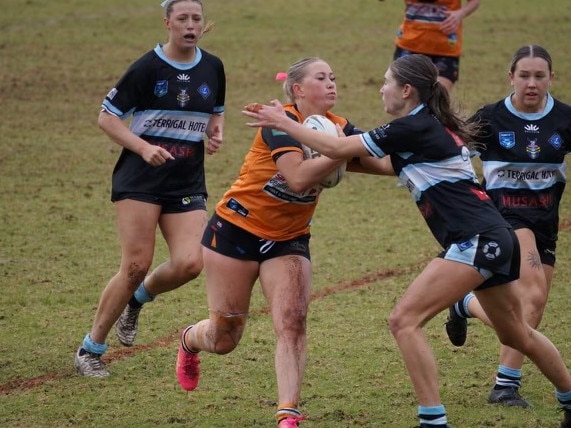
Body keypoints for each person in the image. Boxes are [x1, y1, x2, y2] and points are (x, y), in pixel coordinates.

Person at [242, 53, 571, 428]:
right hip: (496, 237)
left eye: (386, 82)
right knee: (519, 334)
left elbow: (338, 149)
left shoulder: (410, 129)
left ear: (407, 90)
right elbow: (369, 160)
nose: (381, 88)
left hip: (476, 239)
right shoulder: (425, 128)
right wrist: (326, 149)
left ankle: (433, 420)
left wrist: (285, 123)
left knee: (404, 321)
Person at [174, 57, 384, 428]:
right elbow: (299, 177)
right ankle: (190, 339)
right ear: (299, 89)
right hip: (235, 231)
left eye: (334, 77)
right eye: (322, 78)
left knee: (293, 322)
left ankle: (288, 414)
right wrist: (341, 152)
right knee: (225, 338)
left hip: (288, 240)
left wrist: (421, 152)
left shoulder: (337, 128)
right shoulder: (279, 124)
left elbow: (382, 163)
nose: (333, 83)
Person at [74, 0, 225, 377]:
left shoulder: (213, 67)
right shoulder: (147, 67)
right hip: (139, 180)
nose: (190, 25)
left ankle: (139, 300)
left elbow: (215, 110)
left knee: (192, 262)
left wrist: (216, 130)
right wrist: (143, 147)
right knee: (135, 265)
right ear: (167, 23)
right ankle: (90, 348)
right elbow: (106, 117)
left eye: (196, 18)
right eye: (182, 19)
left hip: (186, 180)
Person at [444, 45, 571, 408]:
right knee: (530, 298)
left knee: (532, 306)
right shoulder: (491, 118)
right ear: (510, 77)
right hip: (504, 220)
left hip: (546, 221)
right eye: (524, 75)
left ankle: (465, 304)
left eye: (539, 76)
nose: (532, 83)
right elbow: (452, 153)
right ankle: (505, 387)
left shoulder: (563, 118)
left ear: (551, 78)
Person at [392, 0, 481, 93]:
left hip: (445, 48)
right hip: (410, 45)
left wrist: (460, 14)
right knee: (403, 98)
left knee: (437, 99)